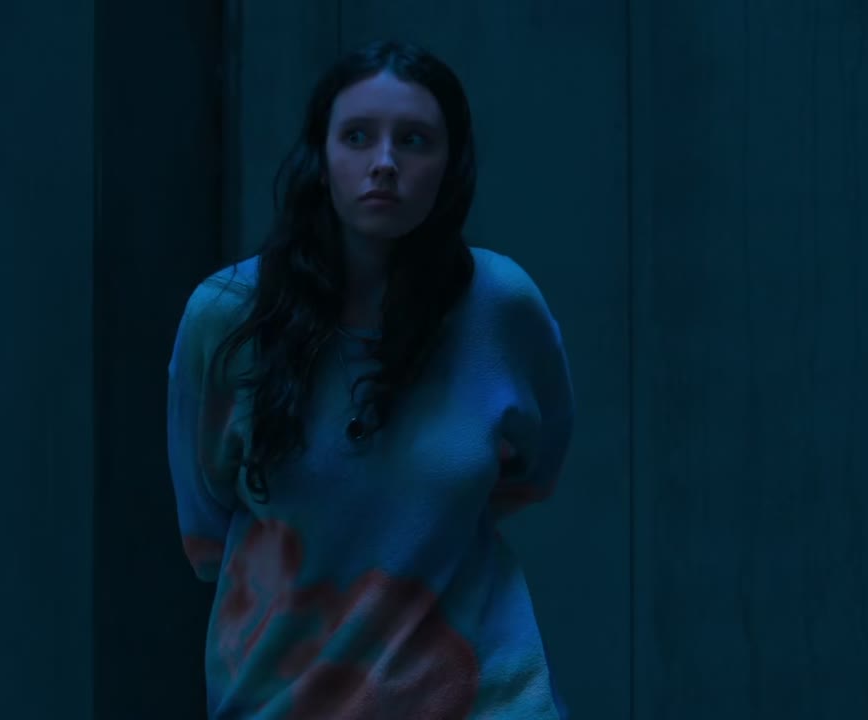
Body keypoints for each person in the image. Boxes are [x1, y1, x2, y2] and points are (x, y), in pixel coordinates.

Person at [167, 39, 575, 720]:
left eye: (414, 140)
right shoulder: (228, 315)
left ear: (449, 164)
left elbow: (534, 467)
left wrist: (419, 515)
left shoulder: (501, 304)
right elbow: (206, 521)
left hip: (481, 692)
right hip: (286, 693)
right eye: (357, 136)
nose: (384, 163)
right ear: (320, 156)